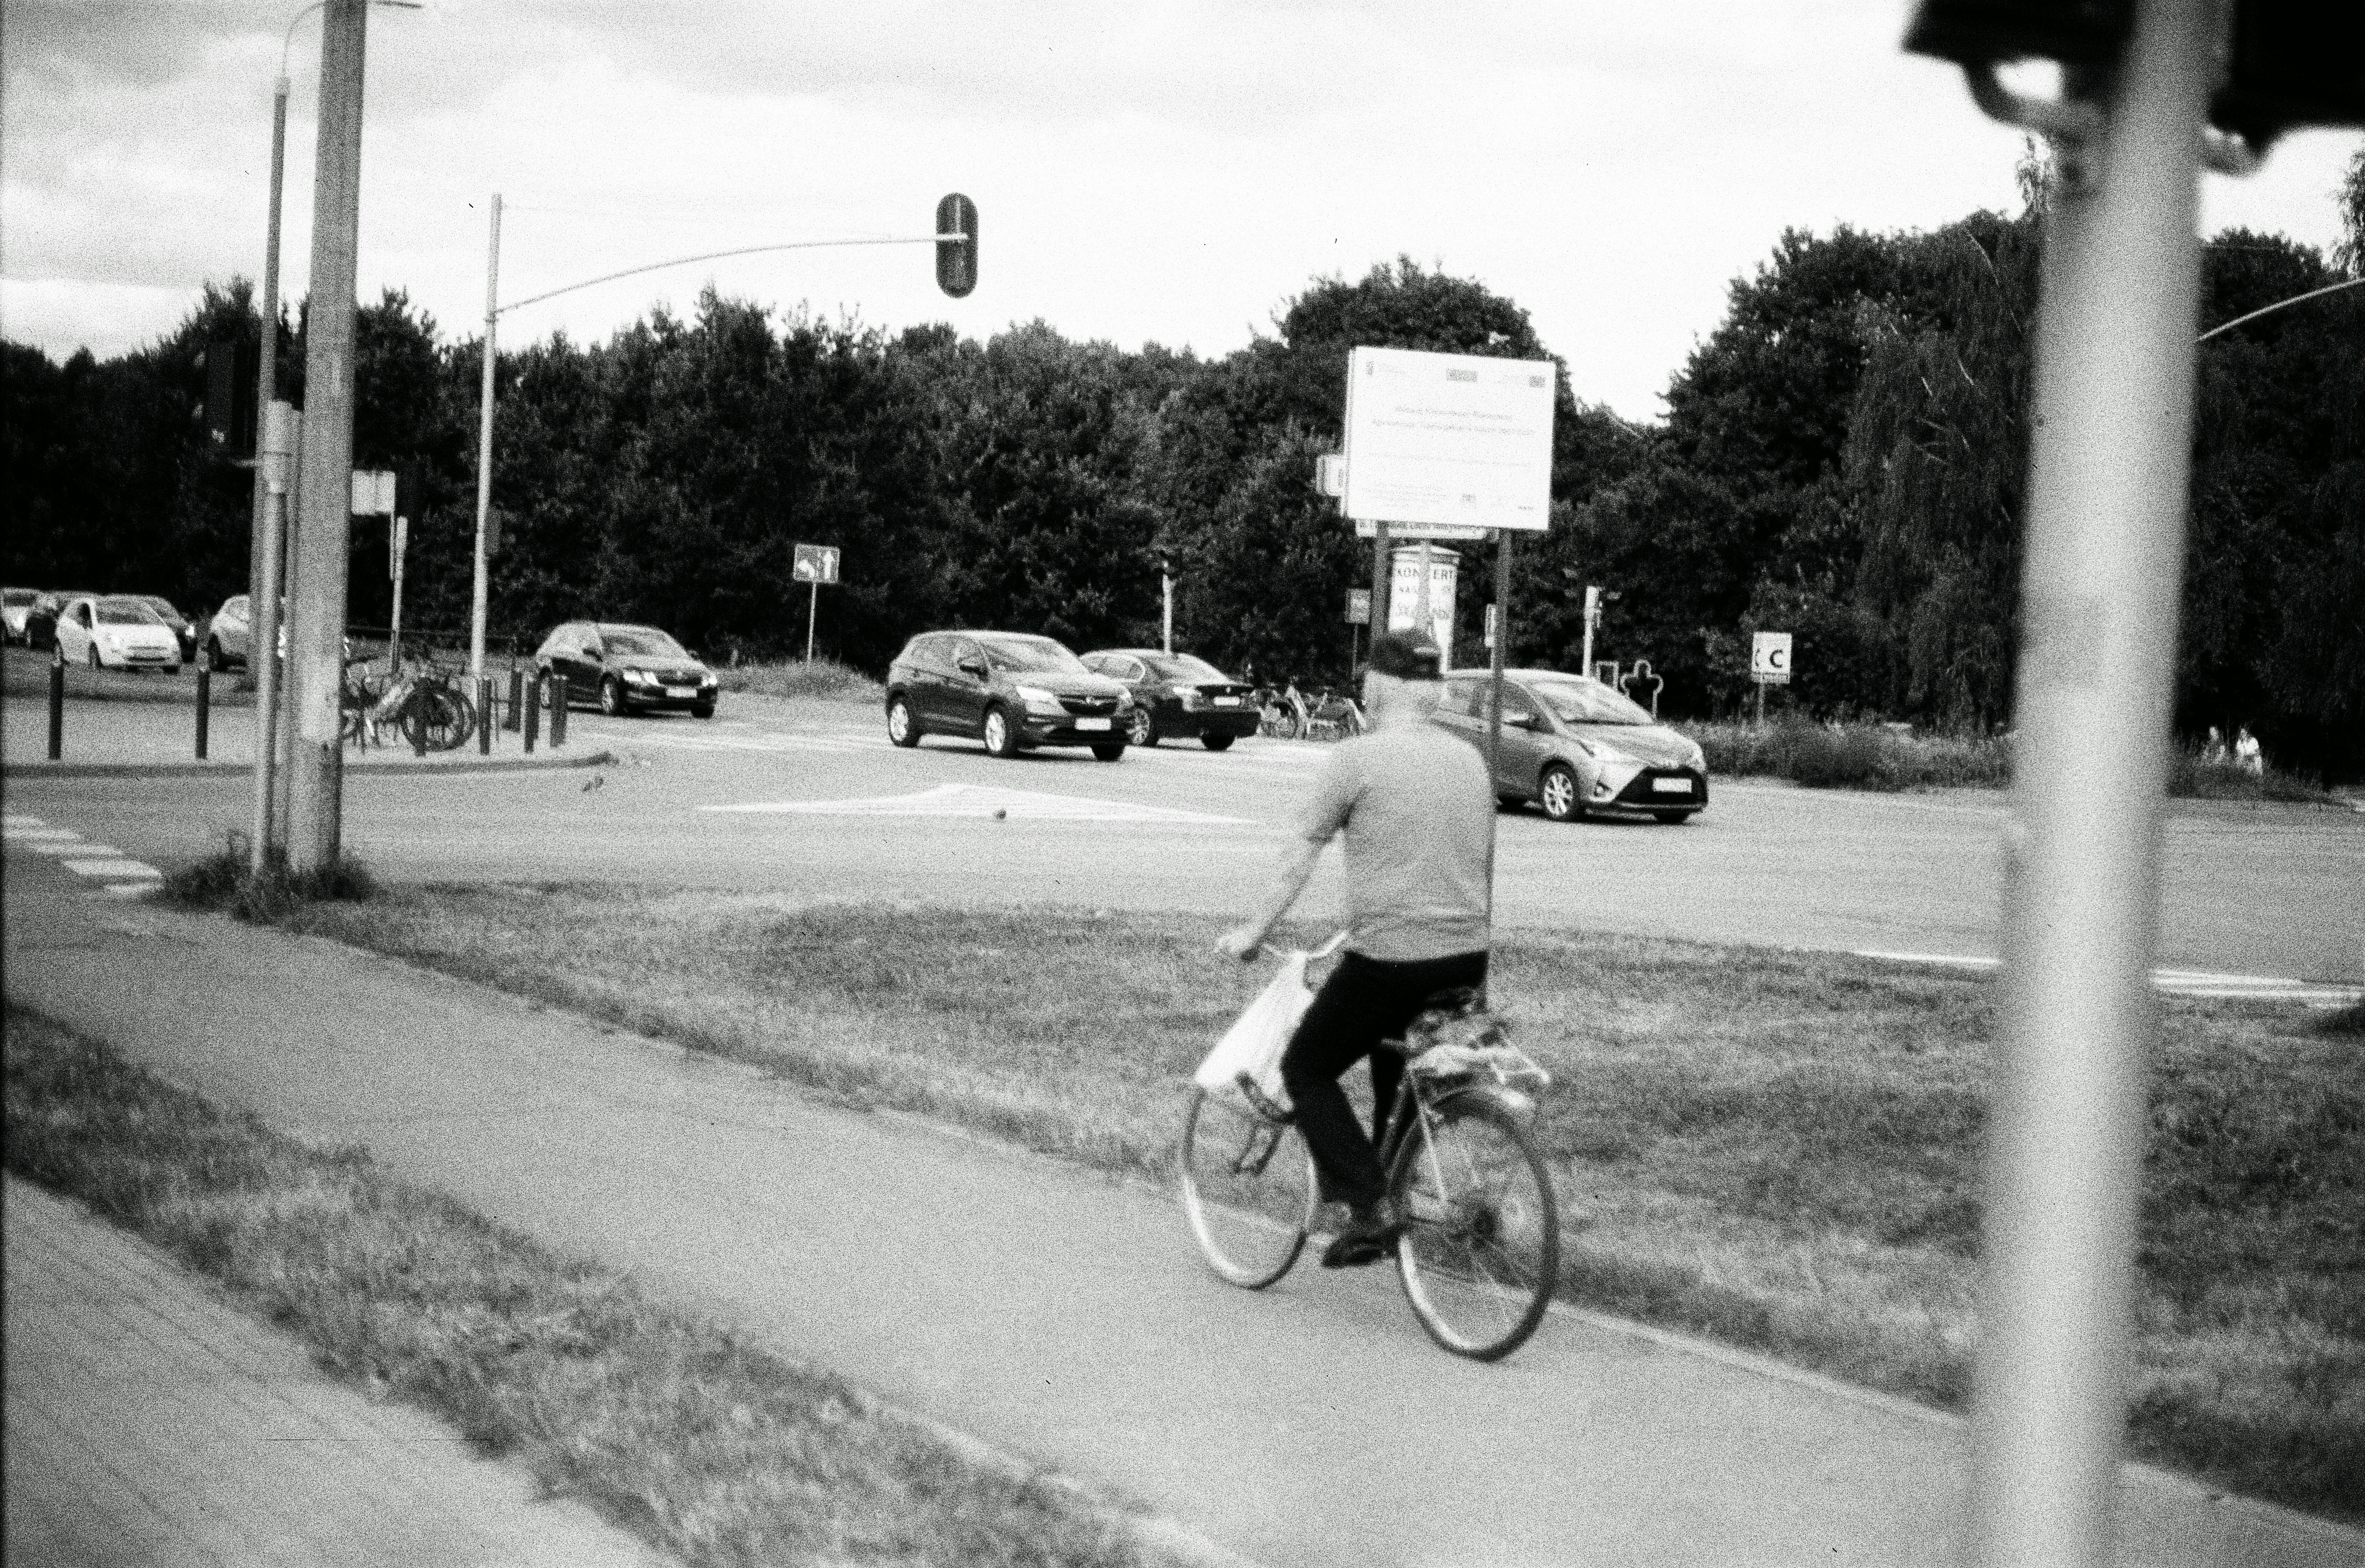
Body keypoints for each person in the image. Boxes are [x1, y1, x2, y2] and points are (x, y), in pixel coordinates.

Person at [1219, 630, 1495, 1266]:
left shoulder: (1356, 759)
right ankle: (1391, 1187)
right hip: (1465, 955)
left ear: (1383, 686)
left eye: (1368, 677)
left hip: (1391, 960)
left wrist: (1253, 932)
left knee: (1306, 1066)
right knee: (1391, 1061)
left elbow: (1298, 856)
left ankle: (1370, 1206)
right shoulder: (1471, 761)